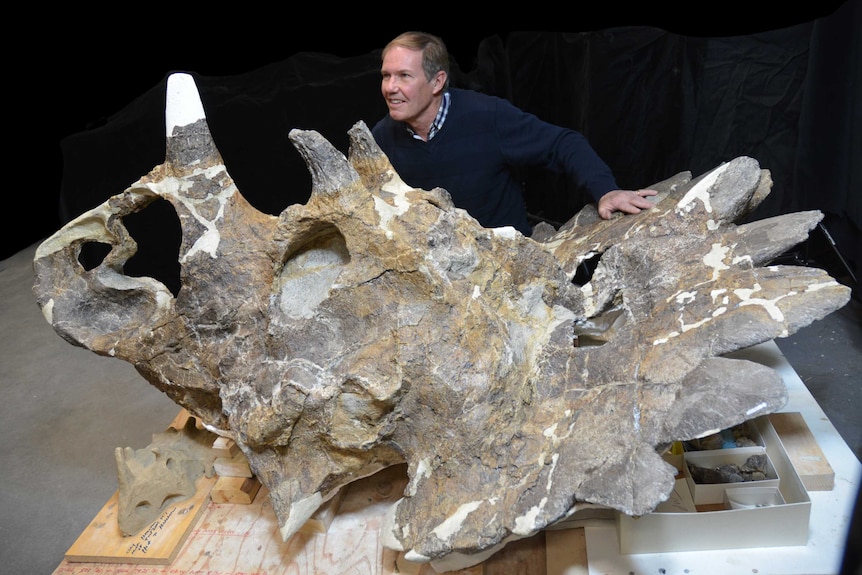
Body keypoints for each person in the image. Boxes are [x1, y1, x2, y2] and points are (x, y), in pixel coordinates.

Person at [371, 31, 657, 237]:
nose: (390, 87)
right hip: (437, 274)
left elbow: (562, 143)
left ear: (437, 82)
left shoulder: (487, 116)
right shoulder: (382, 139)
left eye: (404, 76)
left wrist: (605, 190)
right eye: (386, 75)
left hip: (506, 267)